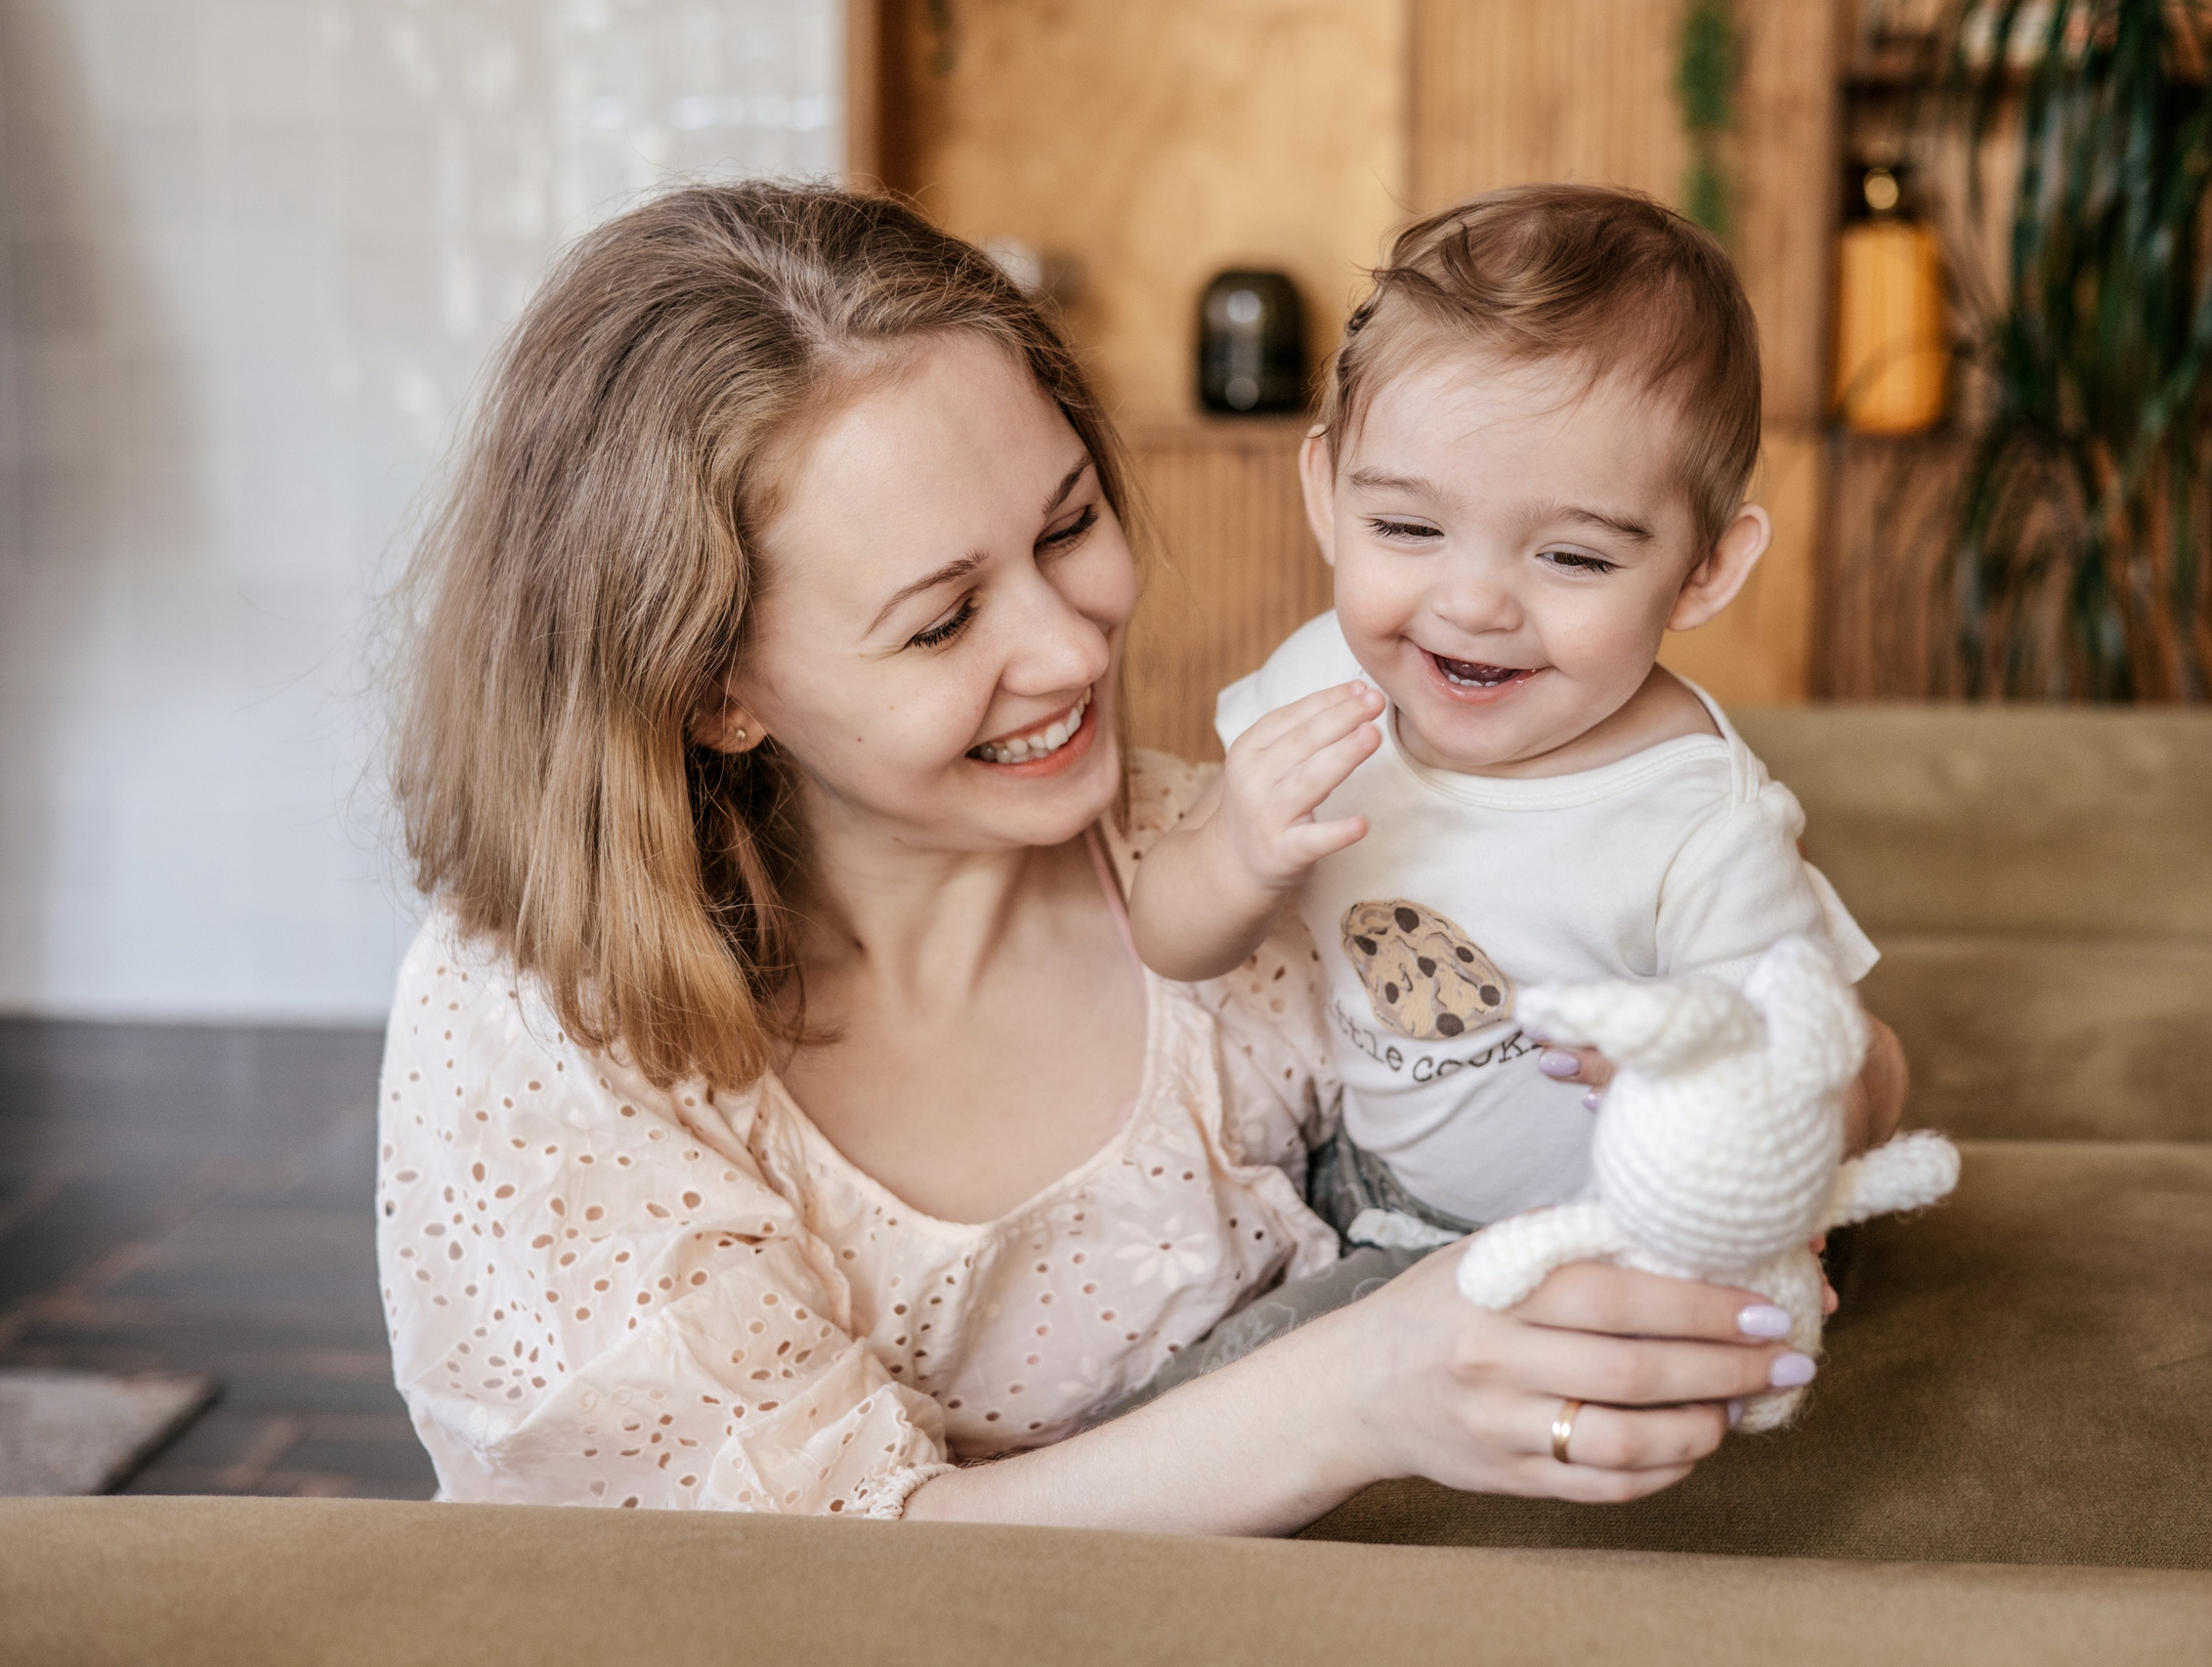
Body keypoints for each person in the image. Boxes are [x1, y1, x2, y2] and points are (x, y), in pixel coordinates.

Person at [380, 181, 1823, 1532]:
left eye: (1069, 525)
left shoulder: (1246, 854)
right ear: (715, 691)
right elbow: (792, 1590)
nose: (1073, 649)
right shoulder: (544, 1030)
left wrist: (1767, 1109)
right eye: (942, 621)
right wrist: (1364, 1388)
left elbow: (1802, 1039)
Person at [1128, 185, 1906, 1248]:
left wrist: (1732, 1096)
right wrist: (1234, 856)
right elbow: (1169, 936)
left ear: (1704, 571)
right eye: (1408, 528)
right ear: (1327, 496)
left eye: (1572, 557)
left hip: (1613, 1239)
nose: (1474, 605)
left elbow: (1824, 1069)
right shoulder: (1319, 682)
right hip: (1367, 1187)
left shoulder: (1698, 821)